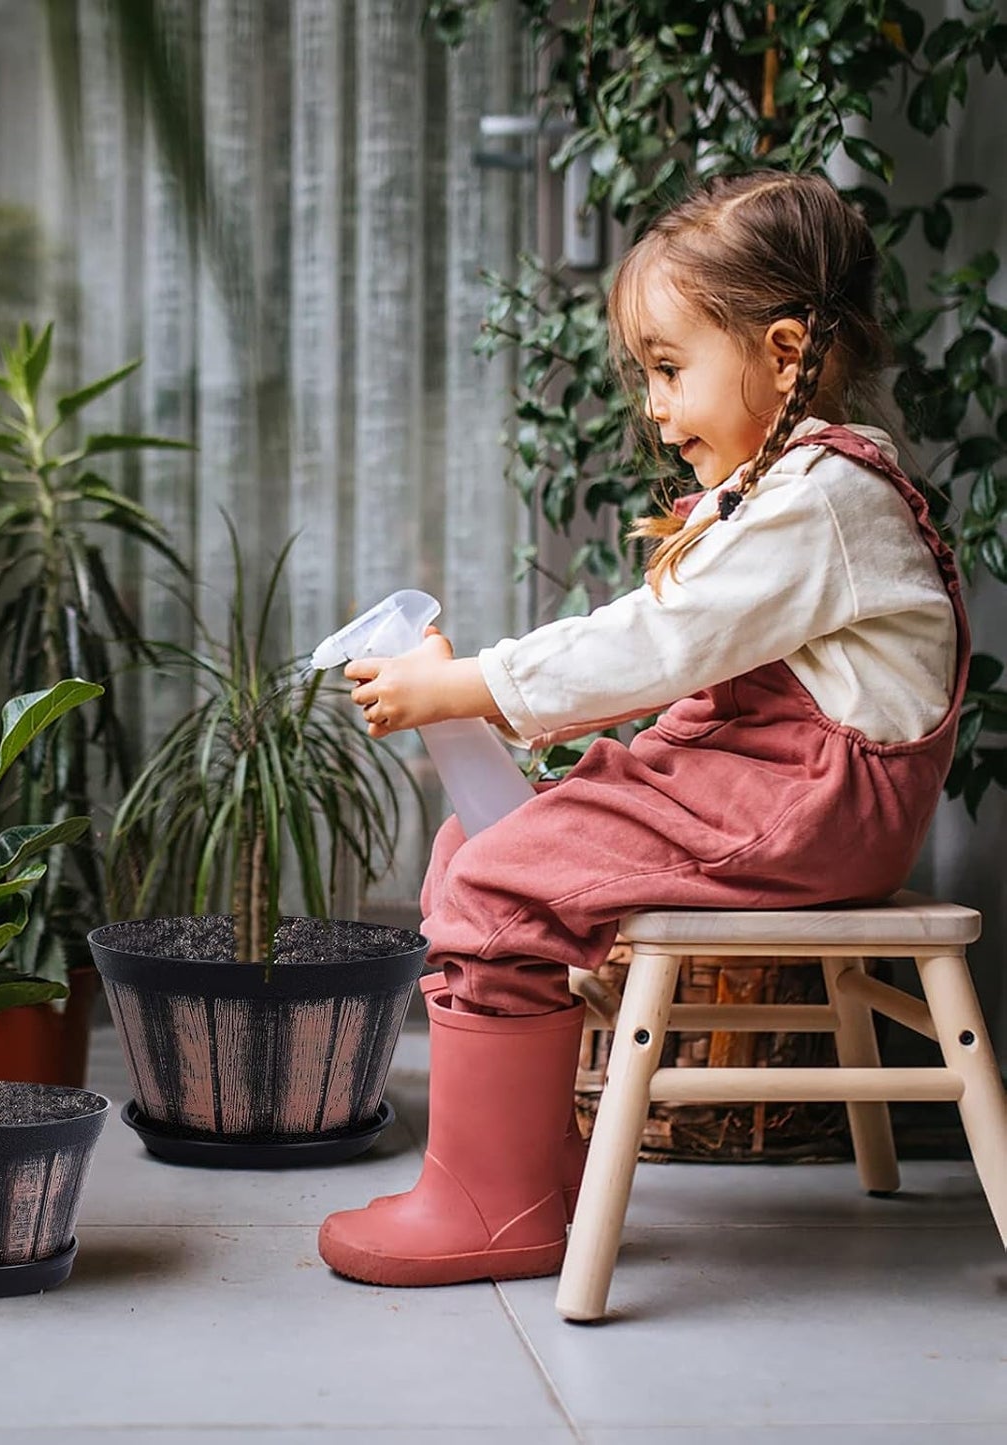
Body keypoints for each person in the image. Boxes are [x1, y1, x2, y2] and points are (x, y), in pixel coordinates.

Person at [317, 170, 968, 1288]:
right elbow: (683, 668)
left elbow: (653, 644)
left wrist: (471, 684)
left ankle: (490, 1203)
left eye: (669, 371)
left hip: (810, 802)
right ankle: (522, 1166)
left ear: (775, 351)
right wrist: (511, 721)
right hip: (764, 785)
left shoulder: (818, 496)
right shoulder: (788, 489)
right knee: (476, 853)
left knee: (499, 879)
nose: (655, 409)